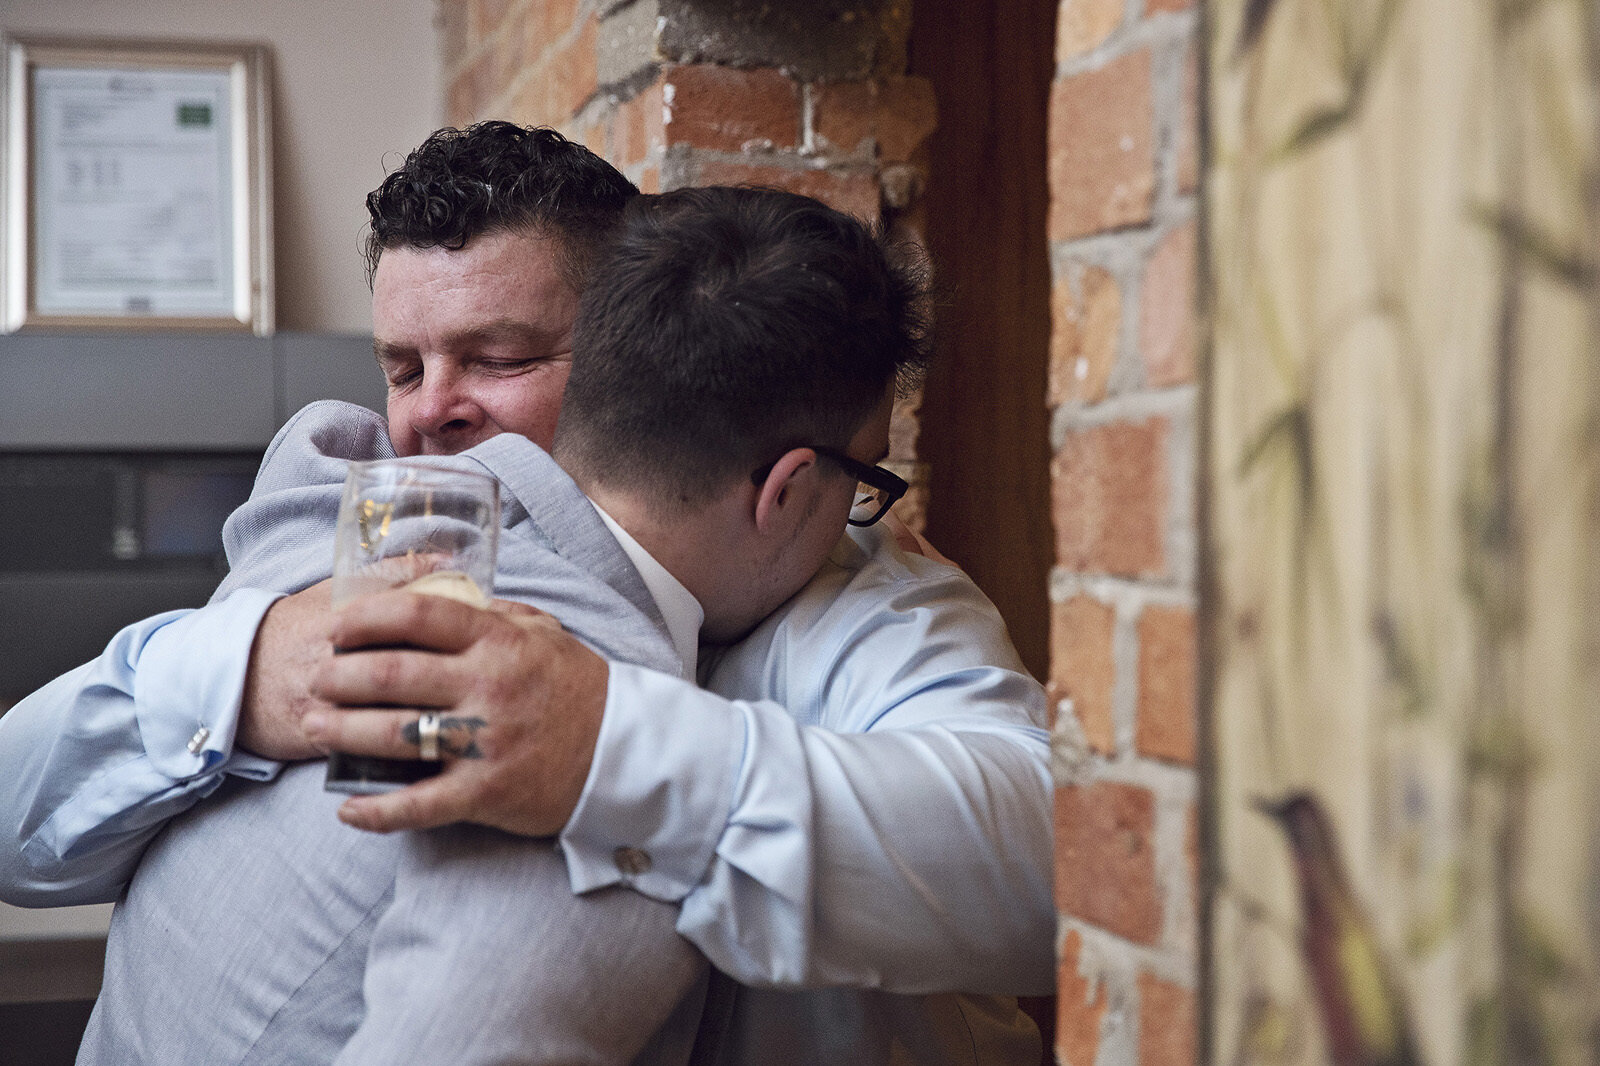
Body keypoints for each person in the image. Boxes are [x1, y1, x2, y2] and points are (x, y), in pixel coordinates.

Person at [0, 127, 1053, 1061]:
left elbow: (1055, 856)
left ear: (624, 343)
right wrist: (241, 670)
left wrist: (606, 747)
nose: (430, 417)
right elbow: (17, 826)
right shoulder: (345, 518)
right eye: (402, 368)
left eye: (497, 358)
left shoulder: (856, 594)